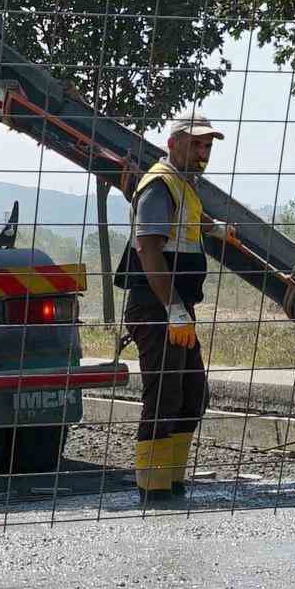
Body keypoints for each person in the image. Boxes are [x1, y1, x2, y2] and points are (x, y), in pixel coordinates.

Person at [117, 109, 224, 505]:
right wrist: (174, 308)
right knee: (164, 394)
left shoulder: (182, 185)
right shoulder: (160, 185)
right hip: (158, 307)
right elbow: (148, 250)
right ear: (173, 144)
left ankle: (173, 482)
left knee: (192, 392)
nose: (203, 152)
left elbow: (189, 219)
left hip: (178, 308)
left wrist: (214, 228)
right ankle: (153, 489)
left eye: (207, 146)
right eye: (196, 144)